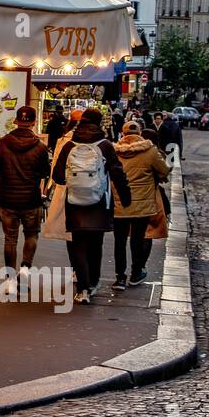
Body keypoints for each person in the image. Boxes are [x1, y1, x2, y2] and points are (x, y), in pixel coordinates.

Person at [51, 107, 131, 305]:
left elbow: (58, 177)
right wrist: (126, 197)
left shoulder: (69, 145)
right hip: (99, 202)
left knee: (78, 244)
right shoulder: (105, 145)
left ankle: (83, 289)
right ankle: (93, 283)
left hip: (75, 202)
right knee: (96, 244)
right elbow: (117, 173)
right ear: (99, 123)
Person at [0, 105, 51, 292]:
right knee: (31, 235)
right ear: (33, 123)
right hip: (31, 199)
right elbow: (44, 173)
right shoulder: (40, 147)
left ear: (17, 121)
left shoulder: (1, 144)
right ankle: (25, 269)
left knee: (10, 239)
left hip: (8, 199)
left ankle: (9, 279)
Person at [112, 121, 171, 289]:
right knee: (138, 239)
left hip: (119, 202)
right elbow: (164, 170)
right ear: (140, 133)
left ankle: (120, 277)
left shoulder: (114, 151)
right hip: (143, 204)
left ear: (122, 133)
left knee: (119, 241)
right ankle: (136, 272)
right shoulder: (150, 151)